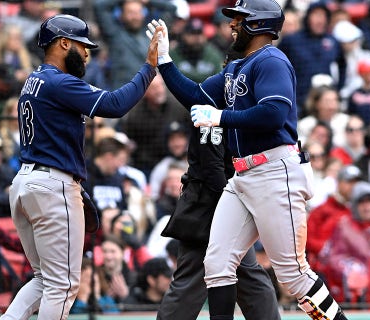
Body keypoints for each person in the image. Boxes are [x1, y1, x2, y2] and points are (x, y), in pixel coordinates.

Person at [147, 0, 348, 318]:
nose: (232, 25)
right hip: (243, 176)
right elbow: (197, 97)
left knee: (294, 277)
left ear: (258, 24)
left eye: (240, 19)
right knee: (217, 264)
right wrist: (166, 61)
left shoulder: (271, 60)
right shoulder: (236, 67)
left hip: (274, 170)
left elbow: (273, 113)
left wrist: (221, 117)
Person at [2, 14, 162, 320]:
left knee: (44, 279)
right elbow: (115, 105)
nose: (87, 53)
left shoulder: (35, 78)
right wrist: (149, 68)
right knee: (62, 286)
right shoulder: (59, 81)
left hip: (26, 183)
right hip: (52, 185)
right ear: (63, 43)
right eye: (82, 45)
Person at [156, 58, 280, 319]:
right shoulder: (212, 106)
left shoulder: (238, 110)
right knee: (193, 283)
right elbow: (212, 169)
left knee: (252, 281)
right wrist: (231, 208)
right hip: (208, 208)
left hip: (225, 204)